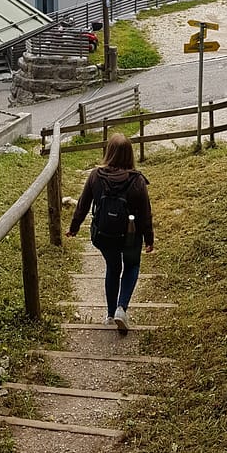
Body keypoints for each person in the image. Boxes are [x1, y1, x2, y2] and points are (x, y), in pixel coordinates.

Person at [66, 133, 154, 333]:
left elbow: (83, 204)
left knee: (113, 268)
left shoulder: (96, 176)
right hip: (130, 236)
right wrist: (149, 239)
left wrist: (74, 227)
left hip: (104, 235)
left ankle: (109, 314)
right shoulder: (137, 180)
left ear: (109, 152)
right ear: (129, 154)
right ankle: (122, 308)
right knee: (131, 266)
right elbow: (145, 214)